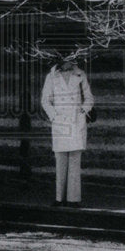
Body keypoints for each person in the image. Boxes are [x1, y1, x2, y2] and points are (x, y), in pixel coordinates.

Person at [41, 52, 94, 207]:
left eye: (72, 59)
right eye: (67, 59)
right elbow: (45, 100)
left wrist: (83, 111)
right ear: (60, 60)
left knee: (75, 161)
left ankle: (73, 199)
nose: (70, 62)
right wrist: (54, 116)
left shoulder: (80, 74)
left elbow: (89, 98)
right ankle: (59, 198)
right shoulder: (51, 77)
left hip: (76, 122)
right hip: (60, 123)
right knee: (60, 161)